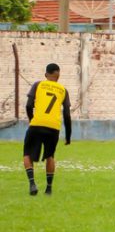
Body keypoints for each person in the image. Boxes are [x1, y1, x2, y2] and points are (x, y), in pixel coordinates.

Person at [23, 63, 72, 196]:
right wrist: (68, 136)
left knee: (27, 153)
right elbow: (67, 115)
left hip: (36, 124)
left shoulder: (38, 85)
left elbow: (28, 105)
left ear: (46, 74)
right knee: (50, 156)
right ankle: (49, 189)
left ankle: (32, 183)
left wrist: (31, 119)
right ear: (58, 75)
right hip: (53, 127)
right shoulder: (63, 90)